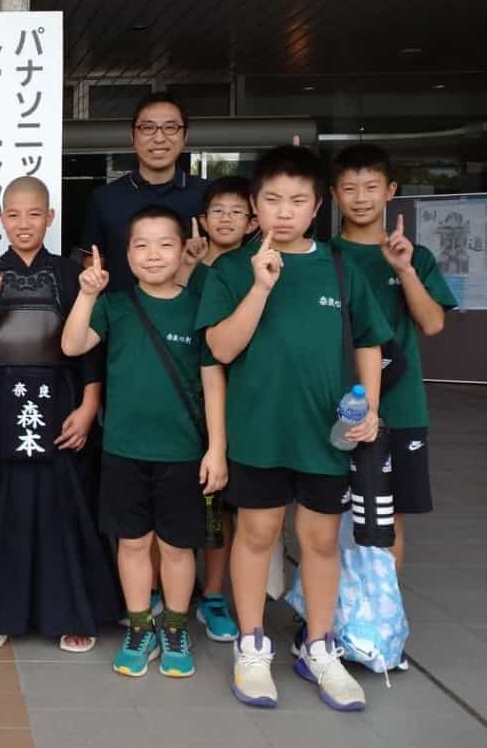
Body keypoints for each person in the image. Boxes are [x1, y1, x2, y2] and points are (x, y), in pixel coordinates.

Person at [196, 145, 392, 711]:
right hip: (258, 431)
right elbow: (219, 348)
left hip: (326, 434)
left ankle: (318, 646)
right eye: (273, 200)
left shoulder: (341, 267)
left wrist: (371, 408)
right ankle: (253, 647)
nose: (284, 211)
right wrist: (260, 286)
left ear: (317, 206)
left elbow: (369, 343)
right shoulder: (232, 270)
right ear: (255, 206)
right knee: (256, 536)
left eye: (298, 200)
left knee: (321, 540)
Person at [0, 177, 117, 653]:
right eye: (14, 215)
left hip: (60, 397)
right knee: (2, 506)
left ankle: (71, 612)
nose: (24, 224)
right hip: (2, 397)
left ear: (50, 218)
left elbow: (91, 351)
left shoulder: (69, 274)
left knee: (65, 506)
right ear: (2, 219)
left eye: (33, 214)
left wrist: (88, 407)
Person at [63, 205, 228, 679]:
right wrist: (86, 293)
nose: (153, 254)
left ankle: (174, 627)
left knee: (177, 548)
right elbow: (73, 346)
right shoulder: (114, 305)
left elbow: (214, 381)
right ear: (126, 253)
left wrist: (217, 448)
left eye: (164, 244)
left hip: (183, 453)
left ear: (183, 251)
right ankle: (140, 627)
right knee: (132, 543)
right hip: (122, 451)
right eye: (141, 245)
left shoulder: (199, 306)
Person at [330, 145, 456, 571]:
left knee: (389, 517)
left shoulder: (414, 256)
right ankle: (328, 619)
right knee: (326, 516)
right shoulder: (323, 256)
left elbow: (433, 323)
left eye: (371, 187)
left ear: (391, 191)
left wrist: (404, 270)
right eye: (350, 188)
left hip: (400, 409)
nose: (361, 197)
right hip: (332, 405)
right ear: (333, 194)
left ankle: (382, 624)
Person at [176, 176, 257, 643]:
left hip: (235, 404)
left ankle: (213, 594)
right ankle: (174, 592)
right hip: (184, 401)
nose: (226, 219)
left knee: (220, 508)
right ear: (202, 220)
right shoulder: (185, 265)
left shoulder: (256, 270)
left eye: (236, 211)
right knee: (177, 501)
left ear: (251, 221)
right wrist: (186, 268)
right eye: (217, 211)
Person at [79, 92, 208, 292]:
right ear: (133, 137)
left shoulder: (207, 196)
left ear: (185, 137)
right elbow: (93, 264)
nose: (159, 138)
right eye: (148, 128)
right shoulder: (104, 199)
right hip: (120, 319)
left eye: (170, 127)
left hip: (195, 318)